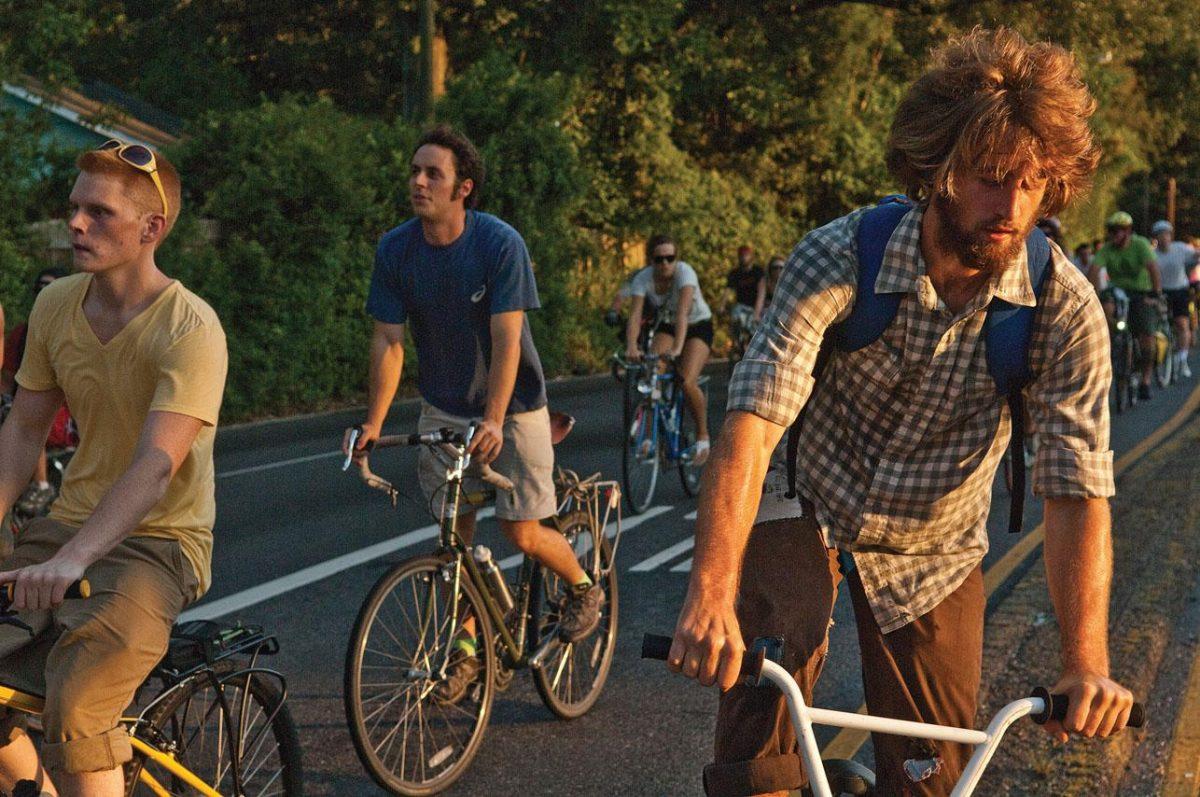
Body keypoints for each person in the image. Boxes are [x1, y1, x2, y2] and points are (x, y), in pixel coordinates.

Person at [668, 28, 1132, 797]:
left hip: (936, 537)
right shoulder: (838, 258)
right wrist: (711, 591)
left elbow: (1077, 489)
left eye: (1032, 184)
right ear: (940, 170)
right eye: (990, 179)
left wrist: (1085, 662)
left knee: (932, 778)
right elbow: (750, 425)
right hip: (808, 493)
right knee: (766, 691)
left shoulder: (1063, 309)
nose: (1011, 208)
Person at [0, 141, 227, 796]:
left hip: (159, 546)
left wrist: (74, 560)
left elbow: (157, 464)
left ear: (150, 228)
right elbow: (22, 432)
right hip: (68, 529)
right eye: (75, 208)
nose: (75, 223)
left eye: (98, 212)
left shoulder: (190, 328)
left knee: (78, 703)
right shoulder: (55, 307)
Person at [345, 125, 603, 700]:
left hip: (513, 406)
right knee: (451, 545)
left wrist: (493, 418)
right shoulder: (396, 248)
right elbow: (389, 341)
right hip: (442, 404)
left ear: (463, 188)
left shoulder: (498, 244)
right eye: (414, 170)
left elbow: (507, 338)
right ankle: (467, 648)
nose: (417, 181)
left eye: (431, 173)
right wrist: (373, 424)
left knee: (521, 530)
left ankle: (585, 586)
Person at [625, 235, 713, 464]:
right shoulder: (643, 279)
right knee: (651, 371)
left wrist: (676, 349)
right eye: (659, 259)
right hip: (668, 325)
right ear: (651, 260)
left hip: (697, 326)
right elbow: (634, 315)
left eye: (670, 258)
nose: (664, 264)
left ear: (676, 259)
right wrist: (632, 346)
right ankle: (648, 435)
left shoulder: (685, 273)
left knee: (685, 379)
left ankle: (703, 435)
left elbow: (683, 313)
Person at [2, 269, 74, 517]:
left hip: (63, 413)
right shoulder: (22, 332)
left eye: (51, 288)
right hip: (23, 404)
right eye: (40, 287)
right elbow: (7, 377)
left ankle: (42, 485)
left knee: (31, 417)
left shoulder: (76, 333)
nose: (44, 293)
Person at [1089, 211, 1161, 400]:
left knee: (1147, 336)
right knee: (1105, 308)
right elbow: (1094, 270)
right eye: (1112, 231)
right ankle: (1112, 340)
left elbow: (1153, 268)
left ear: (1128, 231)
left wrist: (1156, 292)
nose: (1114, 235)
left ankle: (1145, 380)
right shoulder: (1107, 248)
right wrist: (1091, 295)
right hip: (1118, 292)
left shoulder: (1141, 245)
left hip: (1140, 292)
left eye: (1118, 231)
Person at [1150, 219, 1197, 378]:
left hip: (1179, 290)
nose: (1164, 238)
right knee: (1157, 324)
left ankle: (1182, 359)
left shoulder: (1181, 248)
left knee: (1182, 323)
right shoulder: (1152, 254)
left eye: (1166, 234)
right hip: (1161, 292)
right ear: (1156, 237)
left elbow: (1195, 256)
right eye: (1160, 235)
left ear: (1170, 235)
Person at [726, 245, 765, 340]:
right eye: (742, 255)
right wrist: (722, 305)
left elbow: (761, 292)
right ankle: (736, 343)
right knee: (735, 319)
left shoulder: (758, 271)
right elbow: (728, 290)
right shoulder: (735, 273)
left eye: (746, 255)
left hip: (755, 307)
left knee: (754, 330)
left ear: (751, 256)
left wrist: (757, 312)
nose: (744, 258)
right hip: (741, 306)